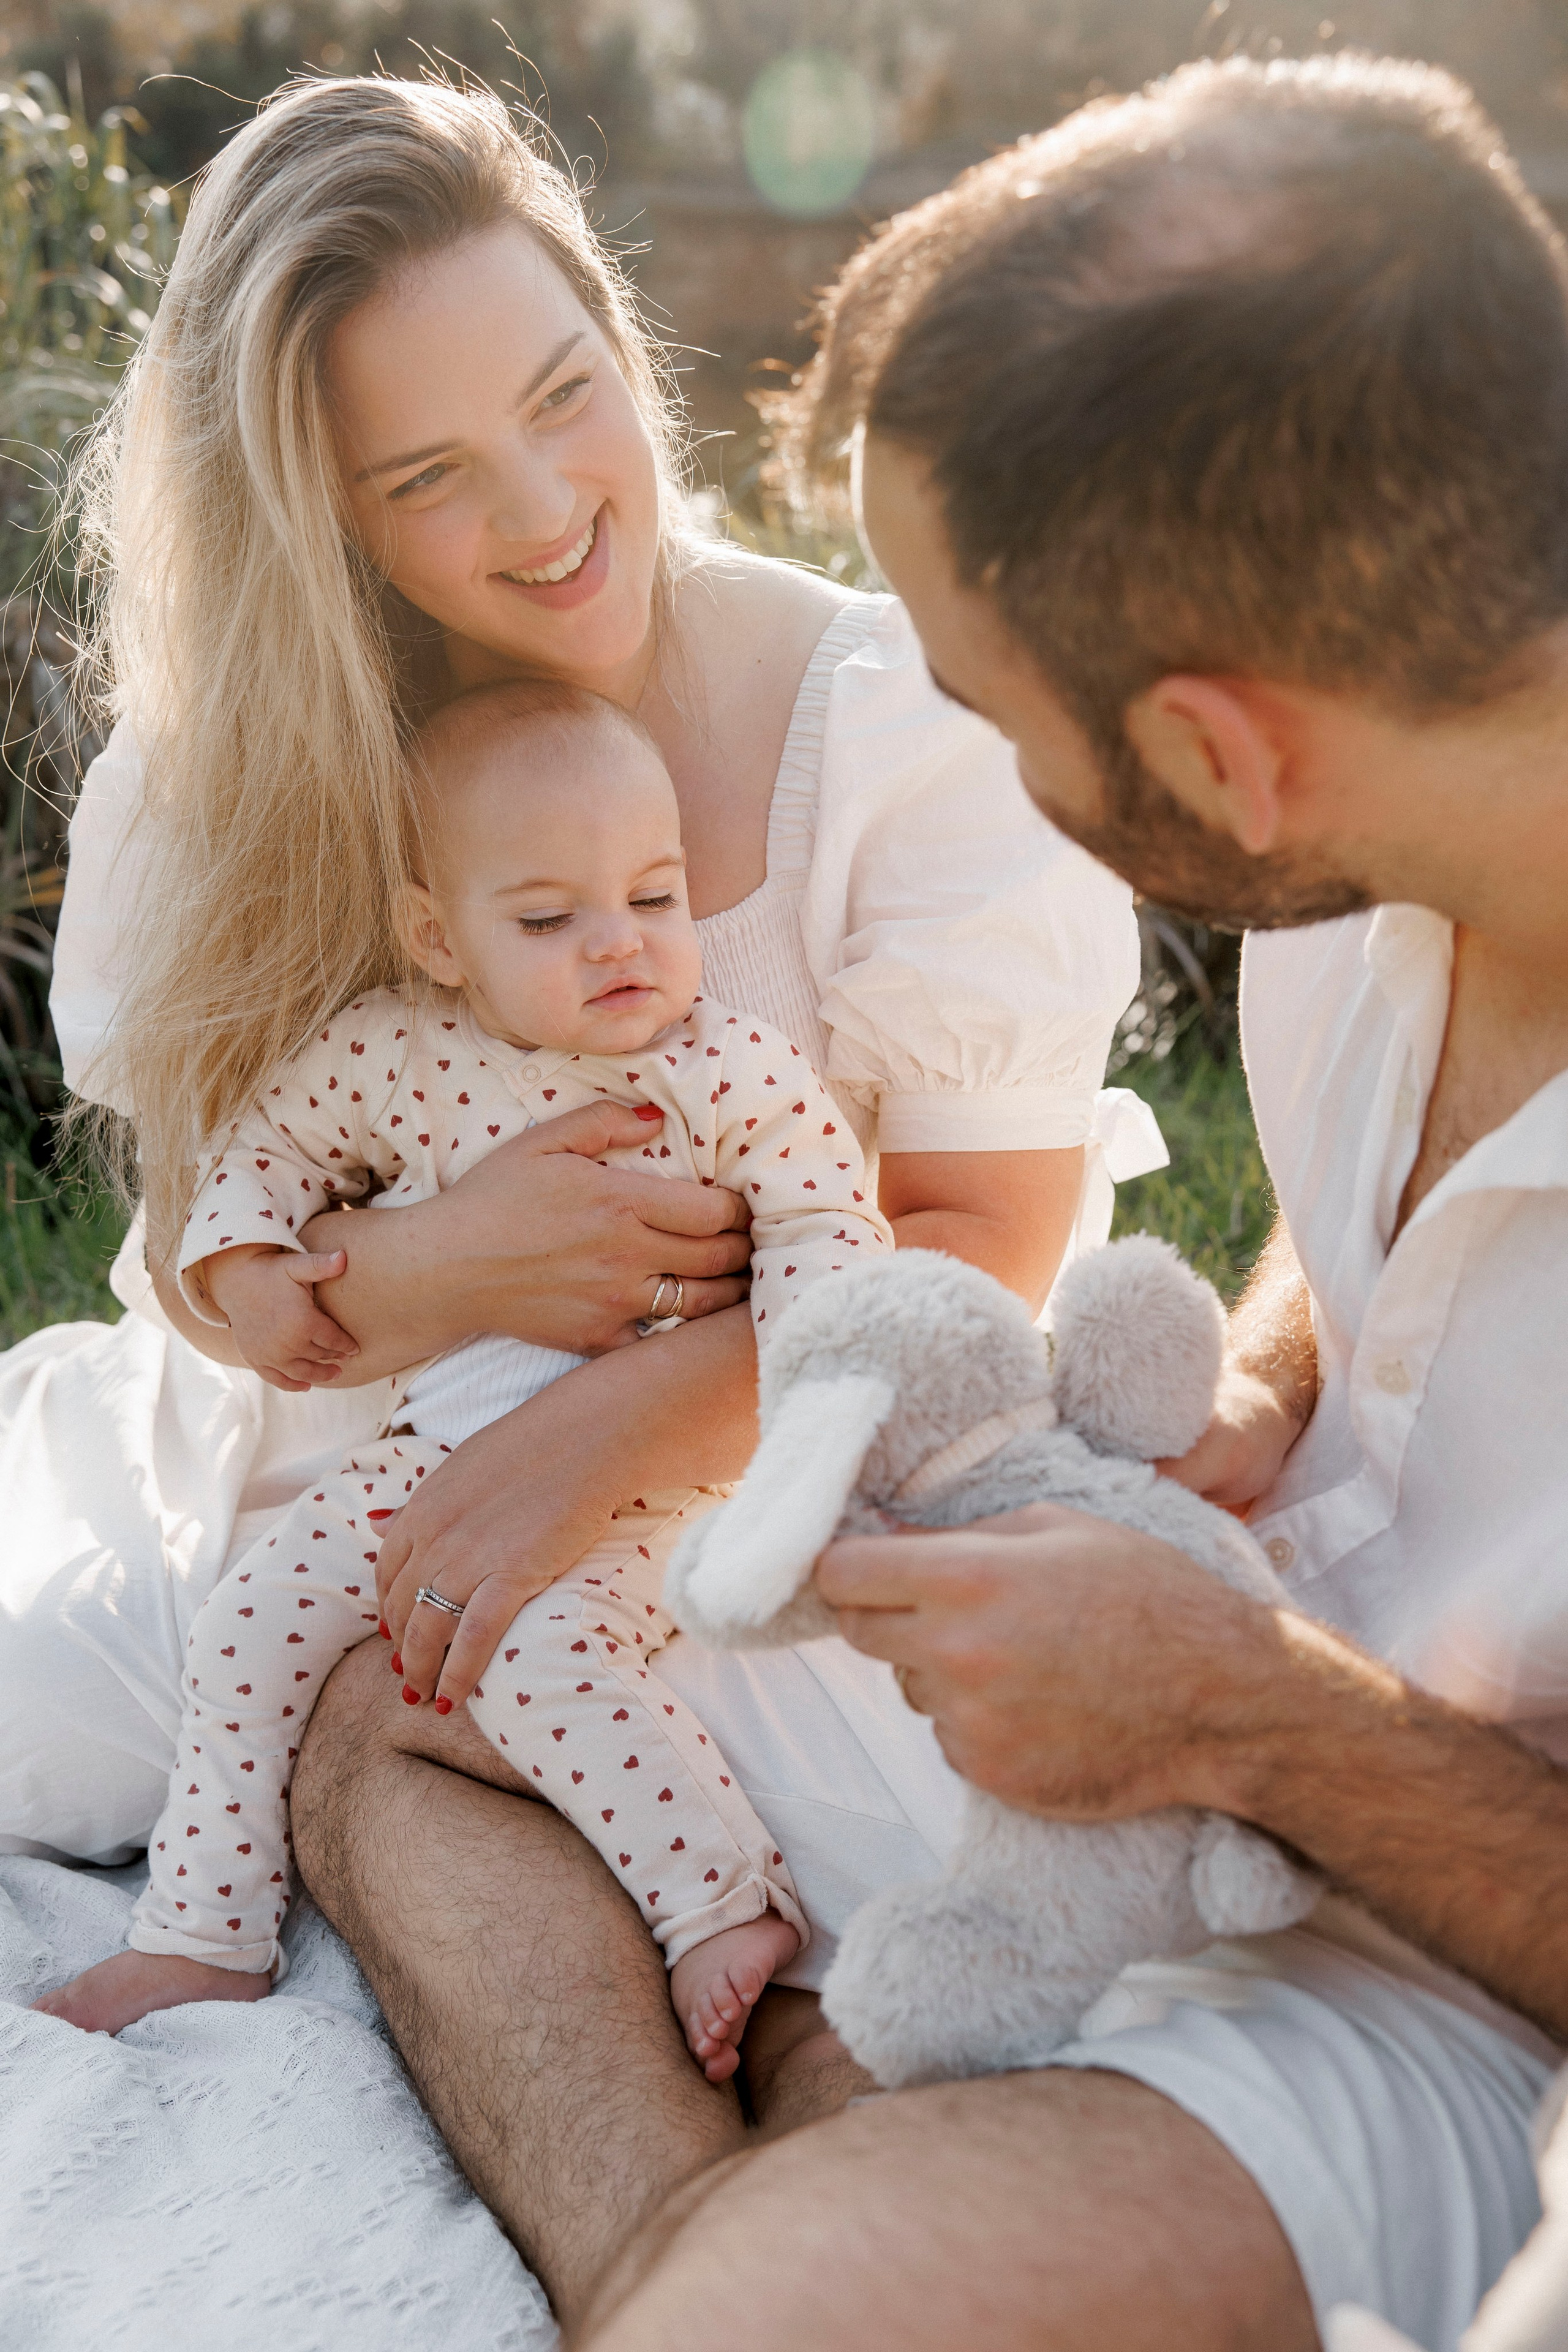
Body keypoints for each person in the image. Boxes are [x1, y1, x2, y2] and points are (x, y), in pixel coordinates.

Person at [7, 66, 1148, 2323]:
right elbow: (196, 1261)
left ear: (625, 341)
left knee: (763, 1783)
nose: (547, 514)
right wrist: (408, 1275)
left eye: (566, 397)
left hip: (765, 1472)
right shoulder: (254, 774)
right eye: (429, 480)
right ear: (319, 531)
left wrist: (591, 1437)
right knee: (149, 1696)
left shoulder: (882, 725)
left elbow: (976, 1250)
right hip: (299, 1457)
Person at [559, 51, 1568, 2352]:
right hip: (1181, 1704)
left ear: (1223, 750)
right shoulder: (1371, 845)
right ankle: (751, 2207)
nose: (998, 785)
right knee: (433, 1682)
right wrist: (1271, 1374)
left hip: (1457, 1977)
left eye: (1005, 716)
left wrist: (1256, 1723)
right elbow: (1395, 1247)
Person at [33, 677, 894, 2074]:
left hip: (650, 1479)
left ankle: (720, 1904)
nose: (619, 945)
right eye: (550, 919)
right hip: (419, 1460)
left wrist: (802, 1404)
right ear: (438, 935)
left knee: (547, 1654)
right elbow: (259, 1154)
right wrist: (252, 1264)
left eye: (656, 898)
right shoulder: (394, 1052)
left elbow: (823, 1226)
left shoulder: (727, 1070)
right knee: (250, 1621)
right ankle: (205, 1925)